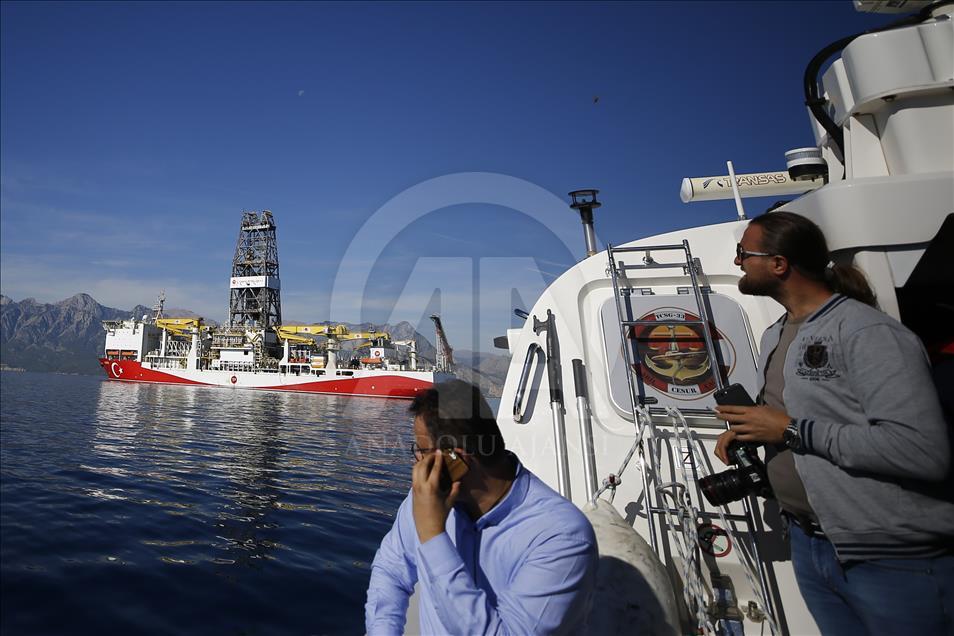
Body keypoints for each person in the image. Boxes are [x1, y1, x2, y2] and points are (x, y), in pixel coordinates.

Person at [713, 211, 954, 635]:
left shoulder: (868, 333)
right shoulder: (776, 334)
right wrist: (750, 431)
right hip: (811, 544)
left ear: (779, 264)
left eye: (743, 253)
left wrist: (789, 430)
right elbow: (796, 417)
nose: (737, 263)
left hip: (891, 559)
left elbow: (923, 452)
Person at [365, 379, 598, 635]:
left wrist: (432, 534)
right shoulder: (426, 496)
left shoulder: (561, 537)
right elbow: (391, 571)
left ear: (456, 459)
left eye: (421, 452)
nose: (416, 464)